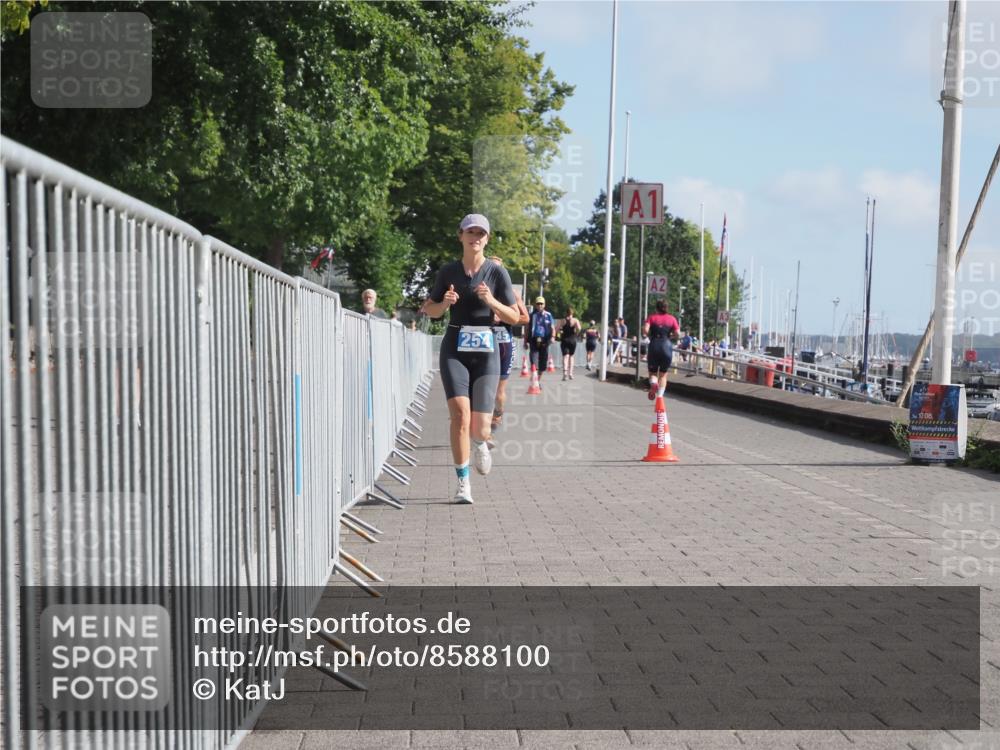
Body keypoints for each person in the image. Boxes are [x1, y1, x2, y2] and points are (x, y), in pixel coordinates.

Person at [421, 214, 519, 504]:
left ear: (487, 239)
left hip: (486, 352)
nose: (475, 237)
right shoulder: (448, 272)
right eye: (470, 232)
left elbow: (514, 317)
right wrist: (444, 303)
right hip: (454, 349)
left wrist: (491, 301)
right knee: (460, 416)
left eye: (480, 233)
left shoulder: (497, 273)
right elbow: (430, 310)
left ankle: (480, 443)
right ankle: (463, 483)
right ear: (460, 236)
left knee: (481, 428)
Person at [487, 256, 530, 432]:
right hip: (483, 343)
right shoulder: (480, 289)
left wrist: (503, 317)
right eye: (490, 268)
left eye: (498, 269)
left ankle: (497, 415)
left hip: (503, 342)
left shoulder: (511, 293)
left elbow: (525, 318)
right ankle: (479, 422)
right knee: (481, 386)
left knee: (499, 390)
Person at [642, 299, 680, 400]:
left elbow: (645, 330)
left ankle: (654, 384)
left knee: (653, 372)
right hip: (666, 346)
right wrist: (671, 336)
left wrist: (649, 335)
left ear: (656, 308)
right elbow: (678, 334)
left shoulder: (651, 317)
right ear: (667, 308)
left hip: (654, 345)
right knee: (663, 375)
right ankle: (659, 397)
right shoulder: (672, 319)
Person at [525, 296, 555, 387]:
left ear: (544, 305)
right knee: (534, 362)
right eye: (538, 304)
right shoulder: (531, 315)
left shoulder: (548, 315)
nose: (540, 305)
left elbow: (553, 328)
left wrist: (553, 337)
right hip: (534, 340)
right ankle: (535, 381)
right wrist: (525, 341)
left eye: (541, 304)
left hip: (545, 341)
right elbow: (527, 329)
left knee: (542, 365)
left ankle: (537, 381)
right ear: (535, 305)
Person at [558, 308, 581, 380]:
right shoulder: (575, 320)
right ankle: (570, 374)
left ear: (566, 313)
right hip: (573, 340)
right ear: (572, 313)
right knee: (571, 356)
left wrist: (560, 333)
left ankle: (565, 373)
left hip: (564, 340)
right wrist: (576, 334)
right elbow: (579, 328)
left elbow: (556, 329)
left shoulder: (562, 320)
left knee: (565, 356)